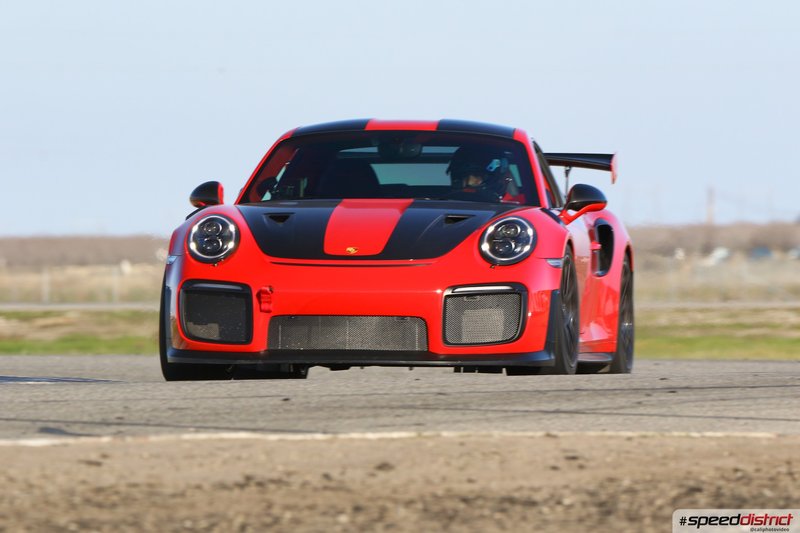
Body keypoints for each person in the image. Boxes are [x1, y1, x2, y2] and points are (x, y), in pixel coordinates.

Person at [446, 146, 523, 202]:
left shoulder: (520, 208)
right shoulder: (439, 204)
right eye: (462, 176)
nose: (469, 182)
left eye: (477, 175)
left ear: (496, 176)